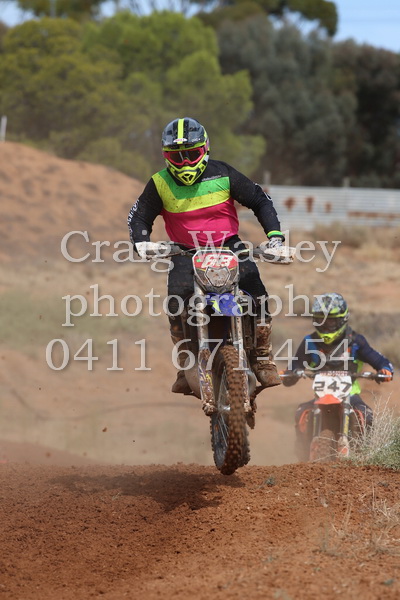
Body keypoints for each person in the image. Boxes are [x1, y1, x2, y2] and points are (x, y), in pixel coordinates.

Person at [127, 116, 286, 394]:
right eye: (177, 156)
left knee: (257, 295)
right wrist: (141, 243)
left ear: (205, 149)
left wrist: (274, 238)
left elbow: (259, 199)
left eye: (191, 154)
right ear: (165, 156)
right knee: (176, 304)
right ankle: (185, 365)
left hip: (230, 246)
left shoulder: (224, 174)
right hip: (184, 251)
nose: (185, 162)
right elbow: (139, 216)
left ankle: (262, 358)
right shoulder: (159, 183)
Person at [282, 292, 394, 456]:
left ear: (342, 319)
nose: (326, 325)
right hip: (321, 396)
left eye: (331, 320)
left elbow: (379, 360)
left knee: (366, 415)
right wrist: (289, 374)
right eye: (321, 320)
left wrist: (385, 369)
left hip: (350, 395)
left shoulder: (355, 341)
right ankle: (302, 452)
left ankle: (364, 454)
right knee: (301, 411)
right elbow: (294, 366)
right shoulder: (310, 342)